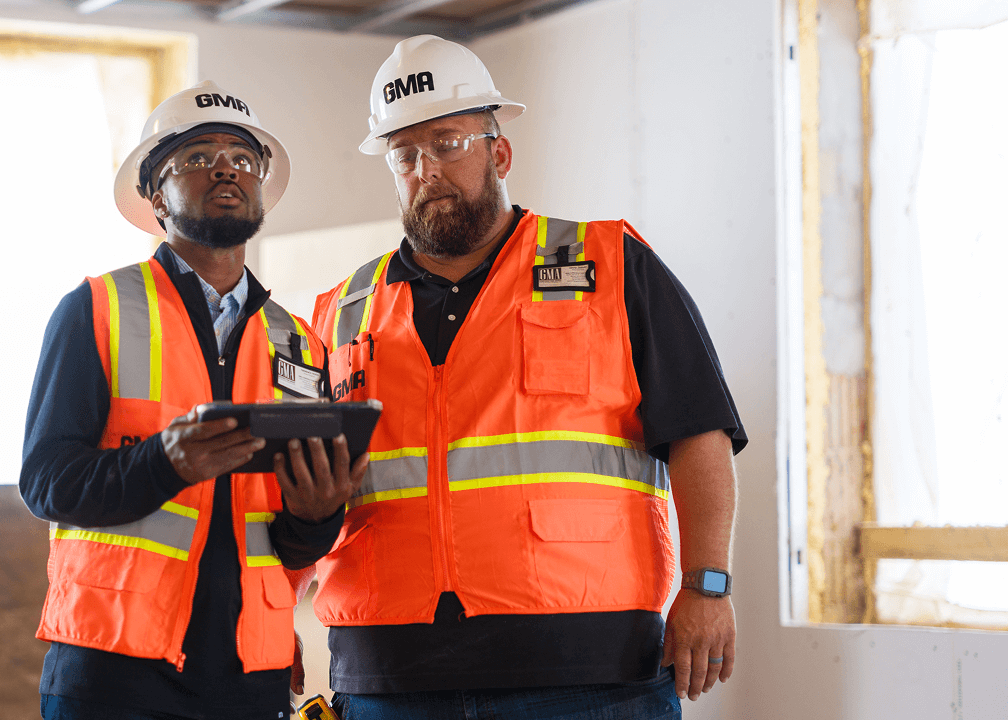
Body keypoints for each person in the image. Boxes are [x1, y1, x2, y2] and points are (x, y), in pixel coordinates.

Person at [305, 36, 748, 719]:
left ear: (498, 152)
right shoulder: (339, 313)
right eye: (405, 154)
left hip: (590, 673)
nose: (427, 169)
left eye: (448, 143)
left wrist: (707, 587)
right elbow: (295, 491)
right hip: (389, 678)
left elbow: (701, 433)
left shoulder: (611, 266)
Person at [21, 80, 367, 720]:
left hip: (248, 673)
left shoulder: (299, 342)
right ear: (156, 194)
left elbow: (291, 544)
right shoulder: (96, 309)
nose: (226, 170)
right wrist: (165, 461)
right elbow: (46, 484)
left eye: (242, 159)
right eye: (199, 157)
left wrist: (318, 515)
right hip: (114, 667)